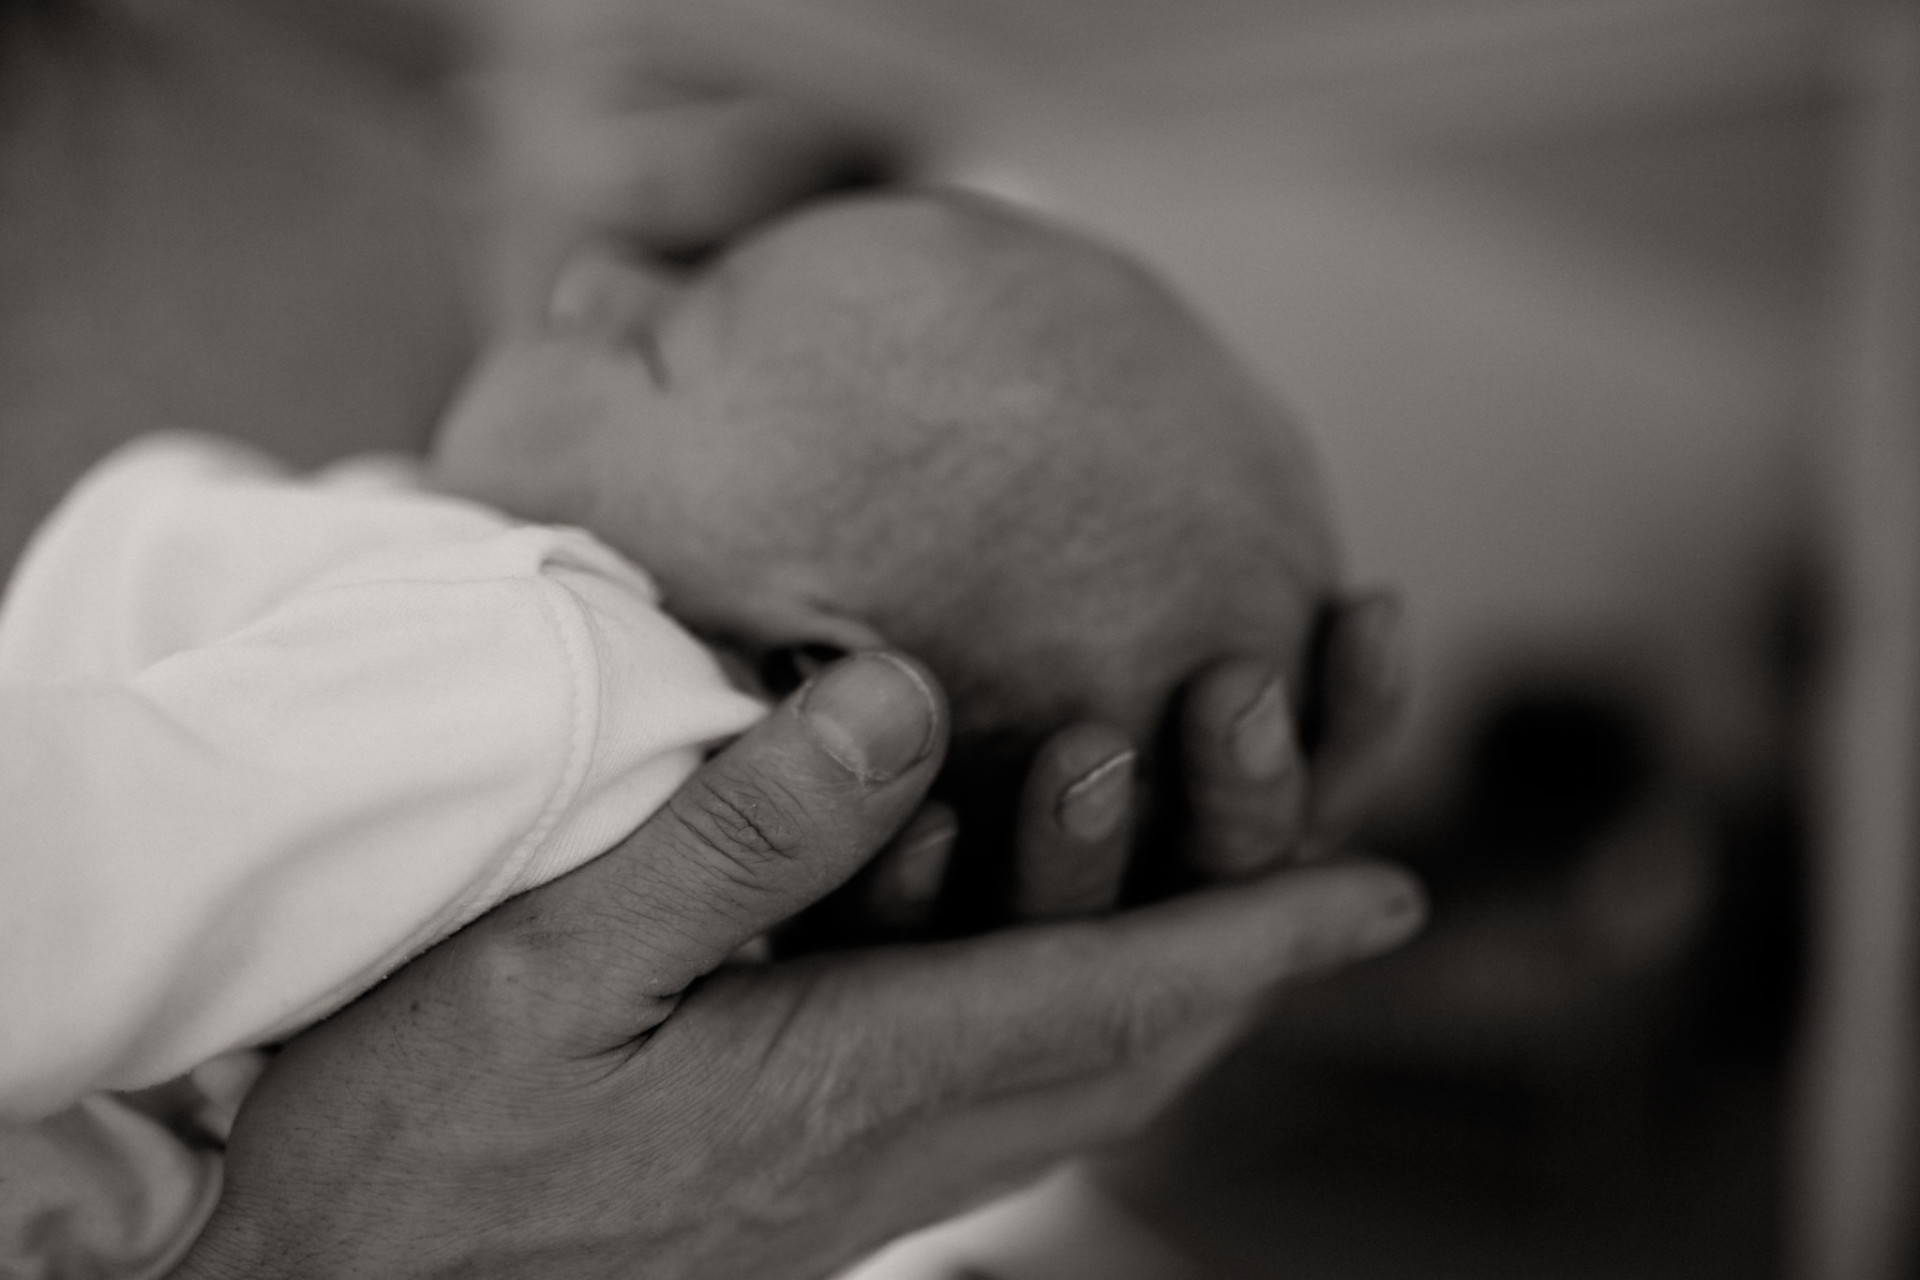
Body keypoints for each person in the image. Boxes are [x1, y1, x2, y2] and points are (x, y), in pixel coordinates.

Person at [0, 181, 1402, 1274]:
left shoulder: (544, 674)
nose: (599, 281)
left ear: (808, 663)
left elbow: (70, 882)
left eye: (664, 340)